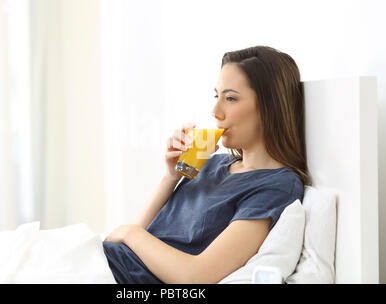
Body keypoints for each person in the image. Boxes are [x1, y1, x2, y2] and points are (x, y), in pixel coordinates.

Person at [103, 46, 311, 284]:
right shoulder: (213, 163)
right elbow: (126, 239)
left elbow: (196, 276)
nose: (215, 111)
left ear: (269, 107)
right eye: (217, 96)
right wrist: (170, 177)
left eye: (230, 98)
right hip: (109, 263)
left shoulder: (276, 186)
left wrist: (129, 232)